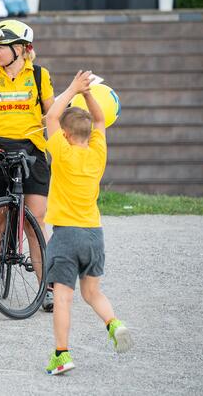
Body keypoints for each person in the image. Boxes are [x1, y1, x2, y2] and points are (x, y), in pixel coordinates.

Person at [43, 71, 134, 375]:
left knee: (63, 298)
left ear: (65, 136)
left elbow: (52, 115)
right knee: (92, 292)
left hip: (66, 235)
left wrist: (72, 89)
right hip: (94, 234)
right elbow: (99, 120)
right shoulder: (98, 152)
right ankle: (114, 323)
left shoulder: (62, 153)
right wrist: (91, 94)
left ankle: (61, 354)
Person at [0, 19, 55, 312]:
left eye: (0, 47)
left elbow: (52, 115)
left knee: (35, 221)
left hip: (32, 151)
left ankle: (47, 287)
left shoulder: (39, 76)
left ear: (20, 48)